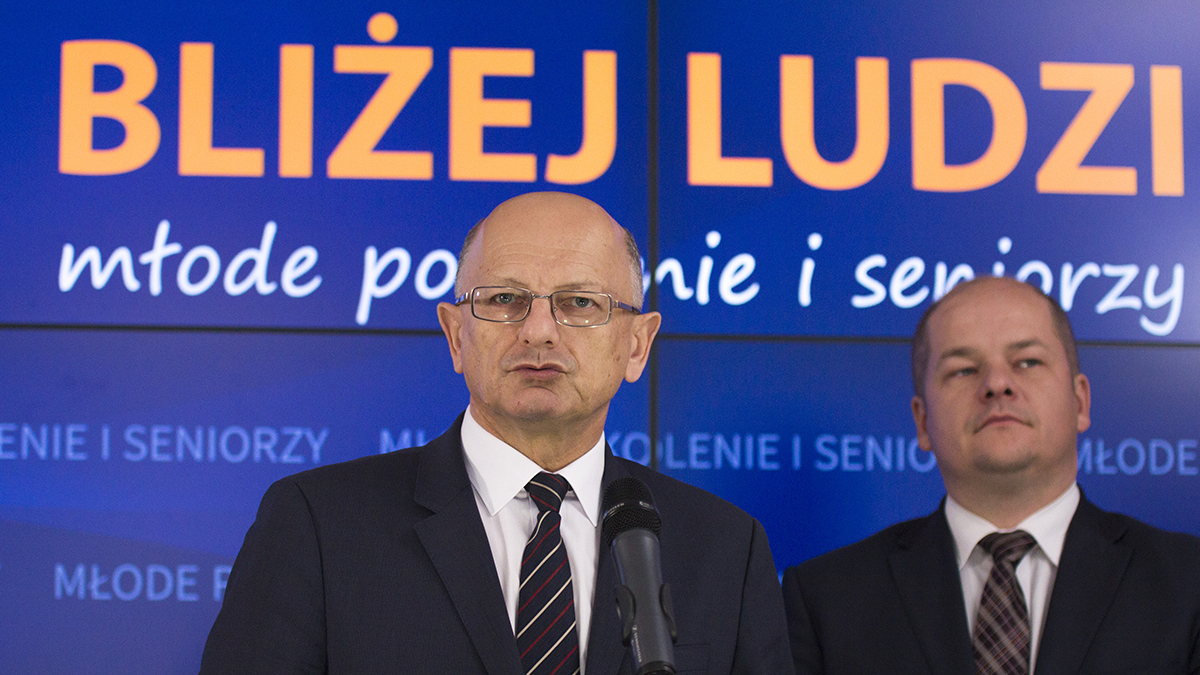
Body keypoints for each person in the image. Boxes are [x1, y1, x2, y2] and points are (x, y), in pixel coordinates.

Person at [198, 191, 793, 675]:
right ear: (456, 335)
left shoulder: (725, 548)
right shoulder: (318, 525)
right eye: (505, 299)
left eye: (579, 303)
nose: (539, 331)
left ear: (637, 345)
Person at [783, 276, 1200, 675]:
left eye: (1028, 362)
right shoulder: (826, 599)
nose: (998, 384)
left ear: (1080, 402)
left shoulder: (1188, 581)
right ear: (923, 421)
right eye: (964, 369)